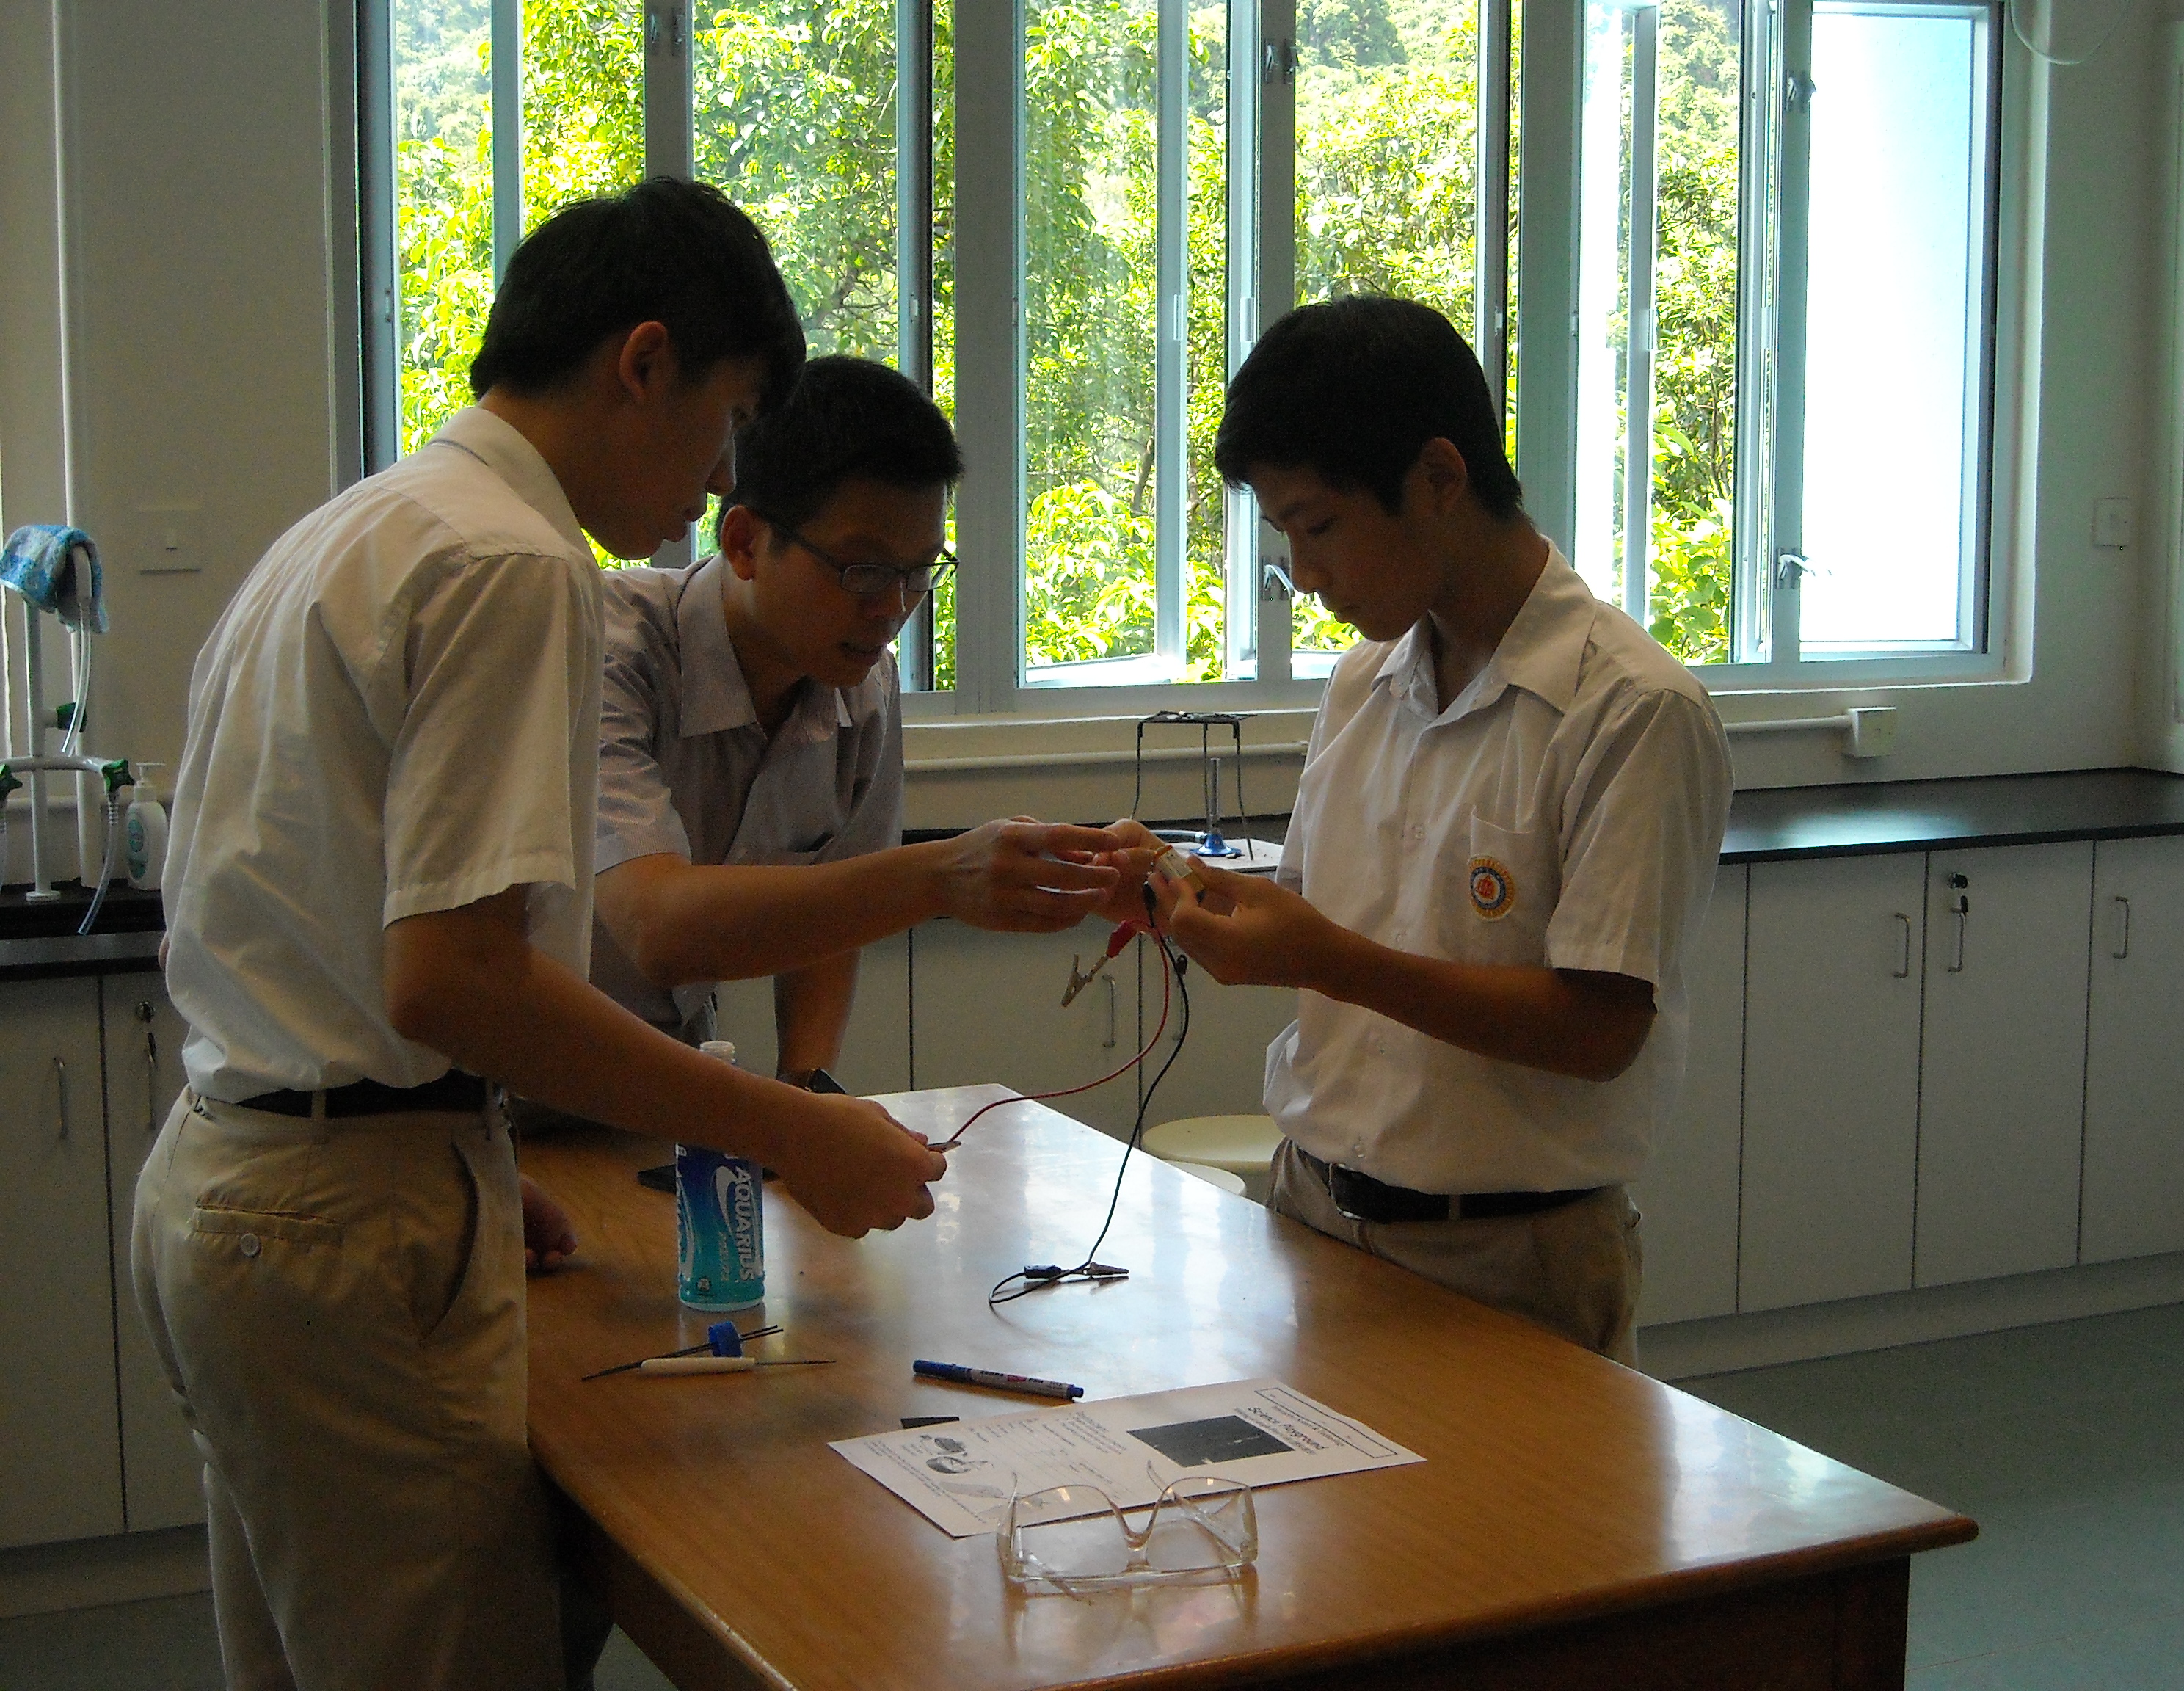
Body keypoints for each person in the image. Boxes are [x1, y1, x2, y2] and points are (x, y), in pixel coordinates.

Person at [130, 181, 991, 1691]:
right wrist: (791, 1127)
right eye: (728, 419)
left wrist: (456, 1147)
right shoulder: (518, 564)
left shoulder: (360, 526)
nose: (719, 477)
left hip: (244, 1173)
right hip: (343, 1222)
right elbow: (455, 978)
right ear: (644, 363)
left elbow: (343, 949)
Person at [1112, 296, 1732, 1365]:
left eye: (1320, 527)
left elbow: (1596, 1031)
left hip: (1511, 1259)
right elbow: (1319, 921)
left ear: (1440, 477)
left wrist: (1322, 958)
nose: (1305, 573)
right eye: (1286, 536)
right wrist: (1176, 885)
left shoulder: (1631, 709)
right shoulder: (1365, 683)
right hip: (1314, 1215)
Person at [586, 355, 1132, 1078]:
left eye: (919, 572)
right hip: (511, 1082)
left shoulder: (863, 681)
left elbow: (834, 921)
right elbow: (659, 928)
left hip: (662, 1074)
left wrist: (807, 1090)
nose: (892, 610)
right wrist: (942, 877)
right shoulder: (606, 650)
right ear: (745, 543)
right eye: (863, 571)